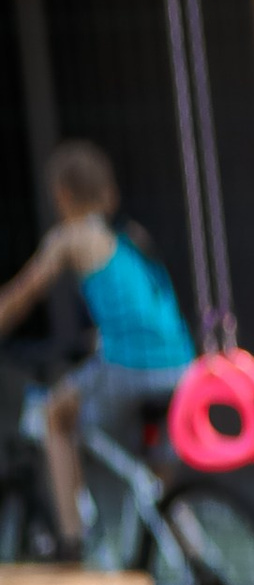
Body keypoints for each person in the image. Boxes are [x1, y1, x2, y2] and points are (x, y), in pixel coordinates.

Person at [0, 140, 196, 552]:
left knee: (55, 415)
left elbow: (23, 295)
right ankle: (199, 564)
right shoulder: (130, 235)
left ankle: (73, 538)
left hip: (131, 366)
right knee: (156, 484)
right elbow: (141, 306)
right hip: (180, 364)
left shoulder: (73, 236)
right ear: (108, 192)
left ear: (62, 194)